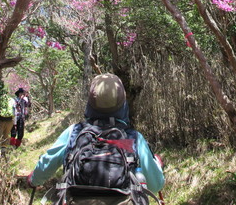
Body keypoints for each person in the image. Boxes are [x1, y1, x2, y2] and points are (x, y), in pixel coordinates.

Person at [27, 73, 165, 204]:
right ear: (123, 103)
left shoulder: (74, 133)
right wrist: (156, 164)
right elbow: (156, 185)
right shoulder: (133, 138)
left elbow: (46, 165)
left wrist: (33, 180)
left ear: (90, 103)